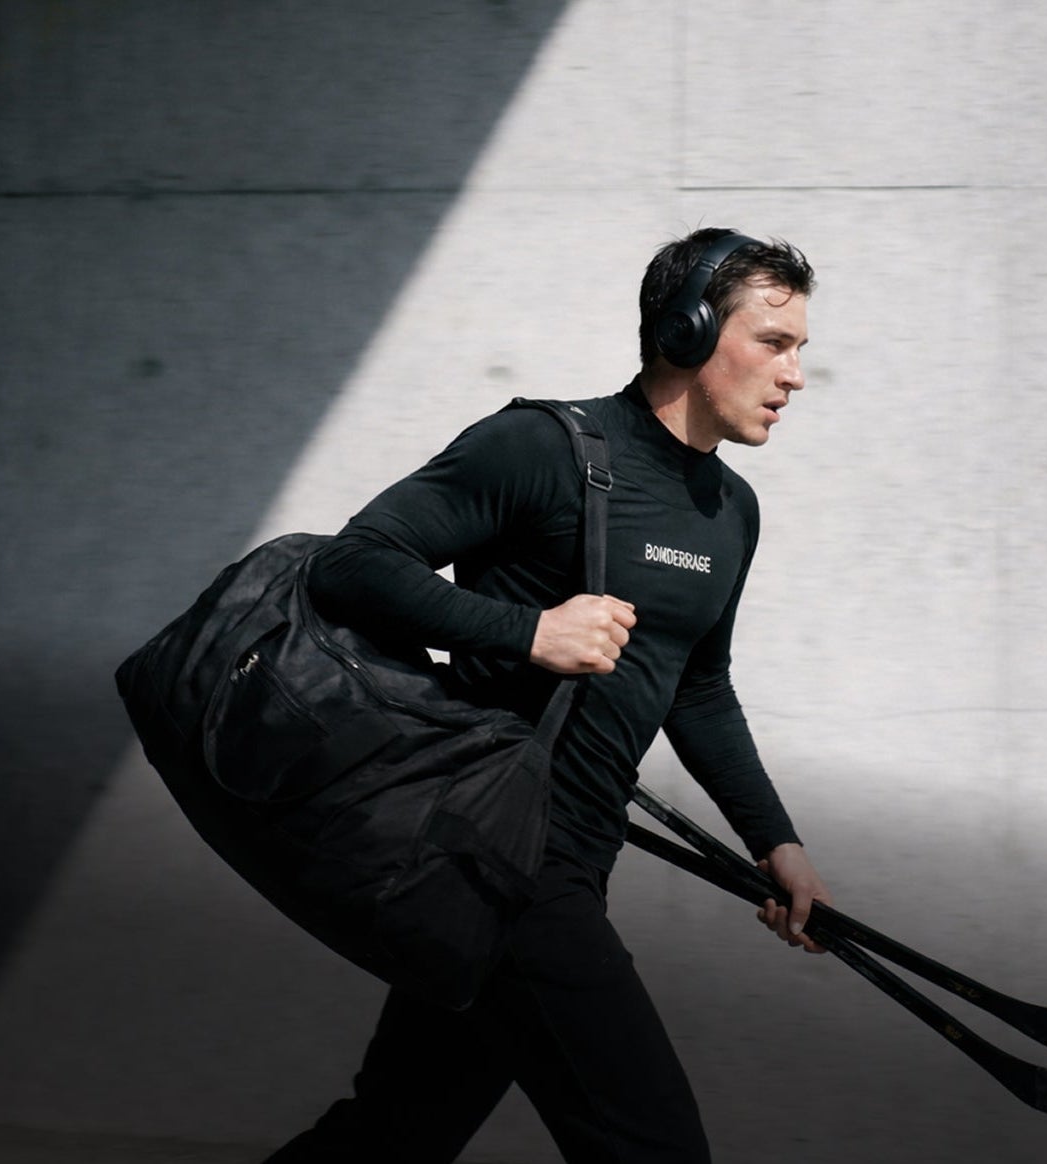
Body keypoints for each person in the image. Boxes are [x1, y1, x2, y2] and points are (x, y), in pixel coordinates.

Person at [266, 228, 827, 1164]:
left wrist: (775, 842)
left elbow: (699, 687)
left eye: (802, 349)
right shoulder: (544, 447)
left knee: (393, 1134)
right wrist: (528, 631)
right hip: (498, 853)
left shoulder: (731, 512)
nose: (795, 375)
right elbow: (353, 564)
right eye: (774, 343)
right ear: (687, 332)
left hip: (573, 853)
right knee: (651, 1146)